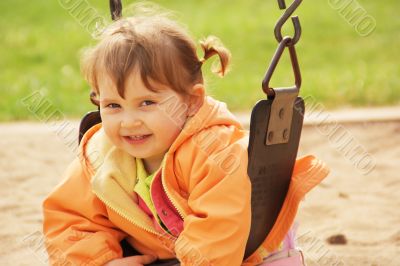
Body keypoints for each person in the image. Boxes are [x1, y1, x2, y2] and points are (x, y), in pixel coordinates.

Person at [42, 3, 329, 266]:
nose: (128, 122)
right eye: (113, 105)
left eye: (147, 103)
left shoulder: (215, 152)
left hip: (246, 249)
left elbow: (219, 229)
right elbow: (70, 219)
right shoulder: (99, 155)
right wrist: (101, 261)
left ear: (192, 101)